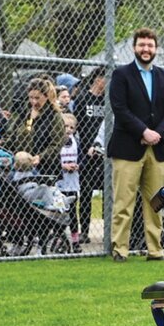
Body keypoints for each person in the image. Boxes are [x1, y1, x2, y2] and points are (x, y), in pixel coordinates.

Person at [107, 27, 164, 262]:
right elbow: (120, 109)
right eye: (142, 45)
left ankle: (155, 249)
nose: (146, 49)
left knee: (157, 202)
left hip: (158, 149)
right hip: (128, 147)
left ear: (155, 48)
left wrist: (157, 133)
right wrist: (143, 131)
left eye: (150, 45)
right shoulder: (121, 75)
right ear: (134, 47)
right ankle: (120, 248)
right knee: (124, 201)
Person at [3, 77, 65, 175]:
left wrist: (40, 156)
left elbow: (57, 144)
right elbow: (14, 135)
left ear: (45, 96)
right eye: (31, 97)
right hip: (20, 166)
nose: (34, 102)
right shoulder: (25, 112)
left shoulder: (53, 115)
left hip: (43, 168)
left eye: (37, 98)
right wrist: (2, 143)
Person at [74, 66, 107, 245]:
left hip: (103, 153)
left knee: (106, 192)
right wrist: (84, 148)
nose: (107, 83)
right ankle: (84, 231)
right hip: (86, 152)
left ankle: (106, 231)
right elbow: (76, 125)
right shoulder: (82, 99)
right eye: (105, 78)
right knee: (85, 192)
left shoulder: (108, 101)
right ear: (97, 79)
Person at [57, 112, 81, 249]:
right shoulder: (56, 141)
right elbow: (53, 159)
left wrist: (78, 166)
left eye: (71, 127)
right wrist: (63, 166)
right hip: (60, 183)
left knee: (72, 213)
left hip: (72, 182)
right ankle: (60, 238)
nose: (68, 130)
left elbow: (82, 157)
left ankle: (75, 240)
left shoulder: (76, 141)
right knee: (60, 213)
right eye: (65, 126)